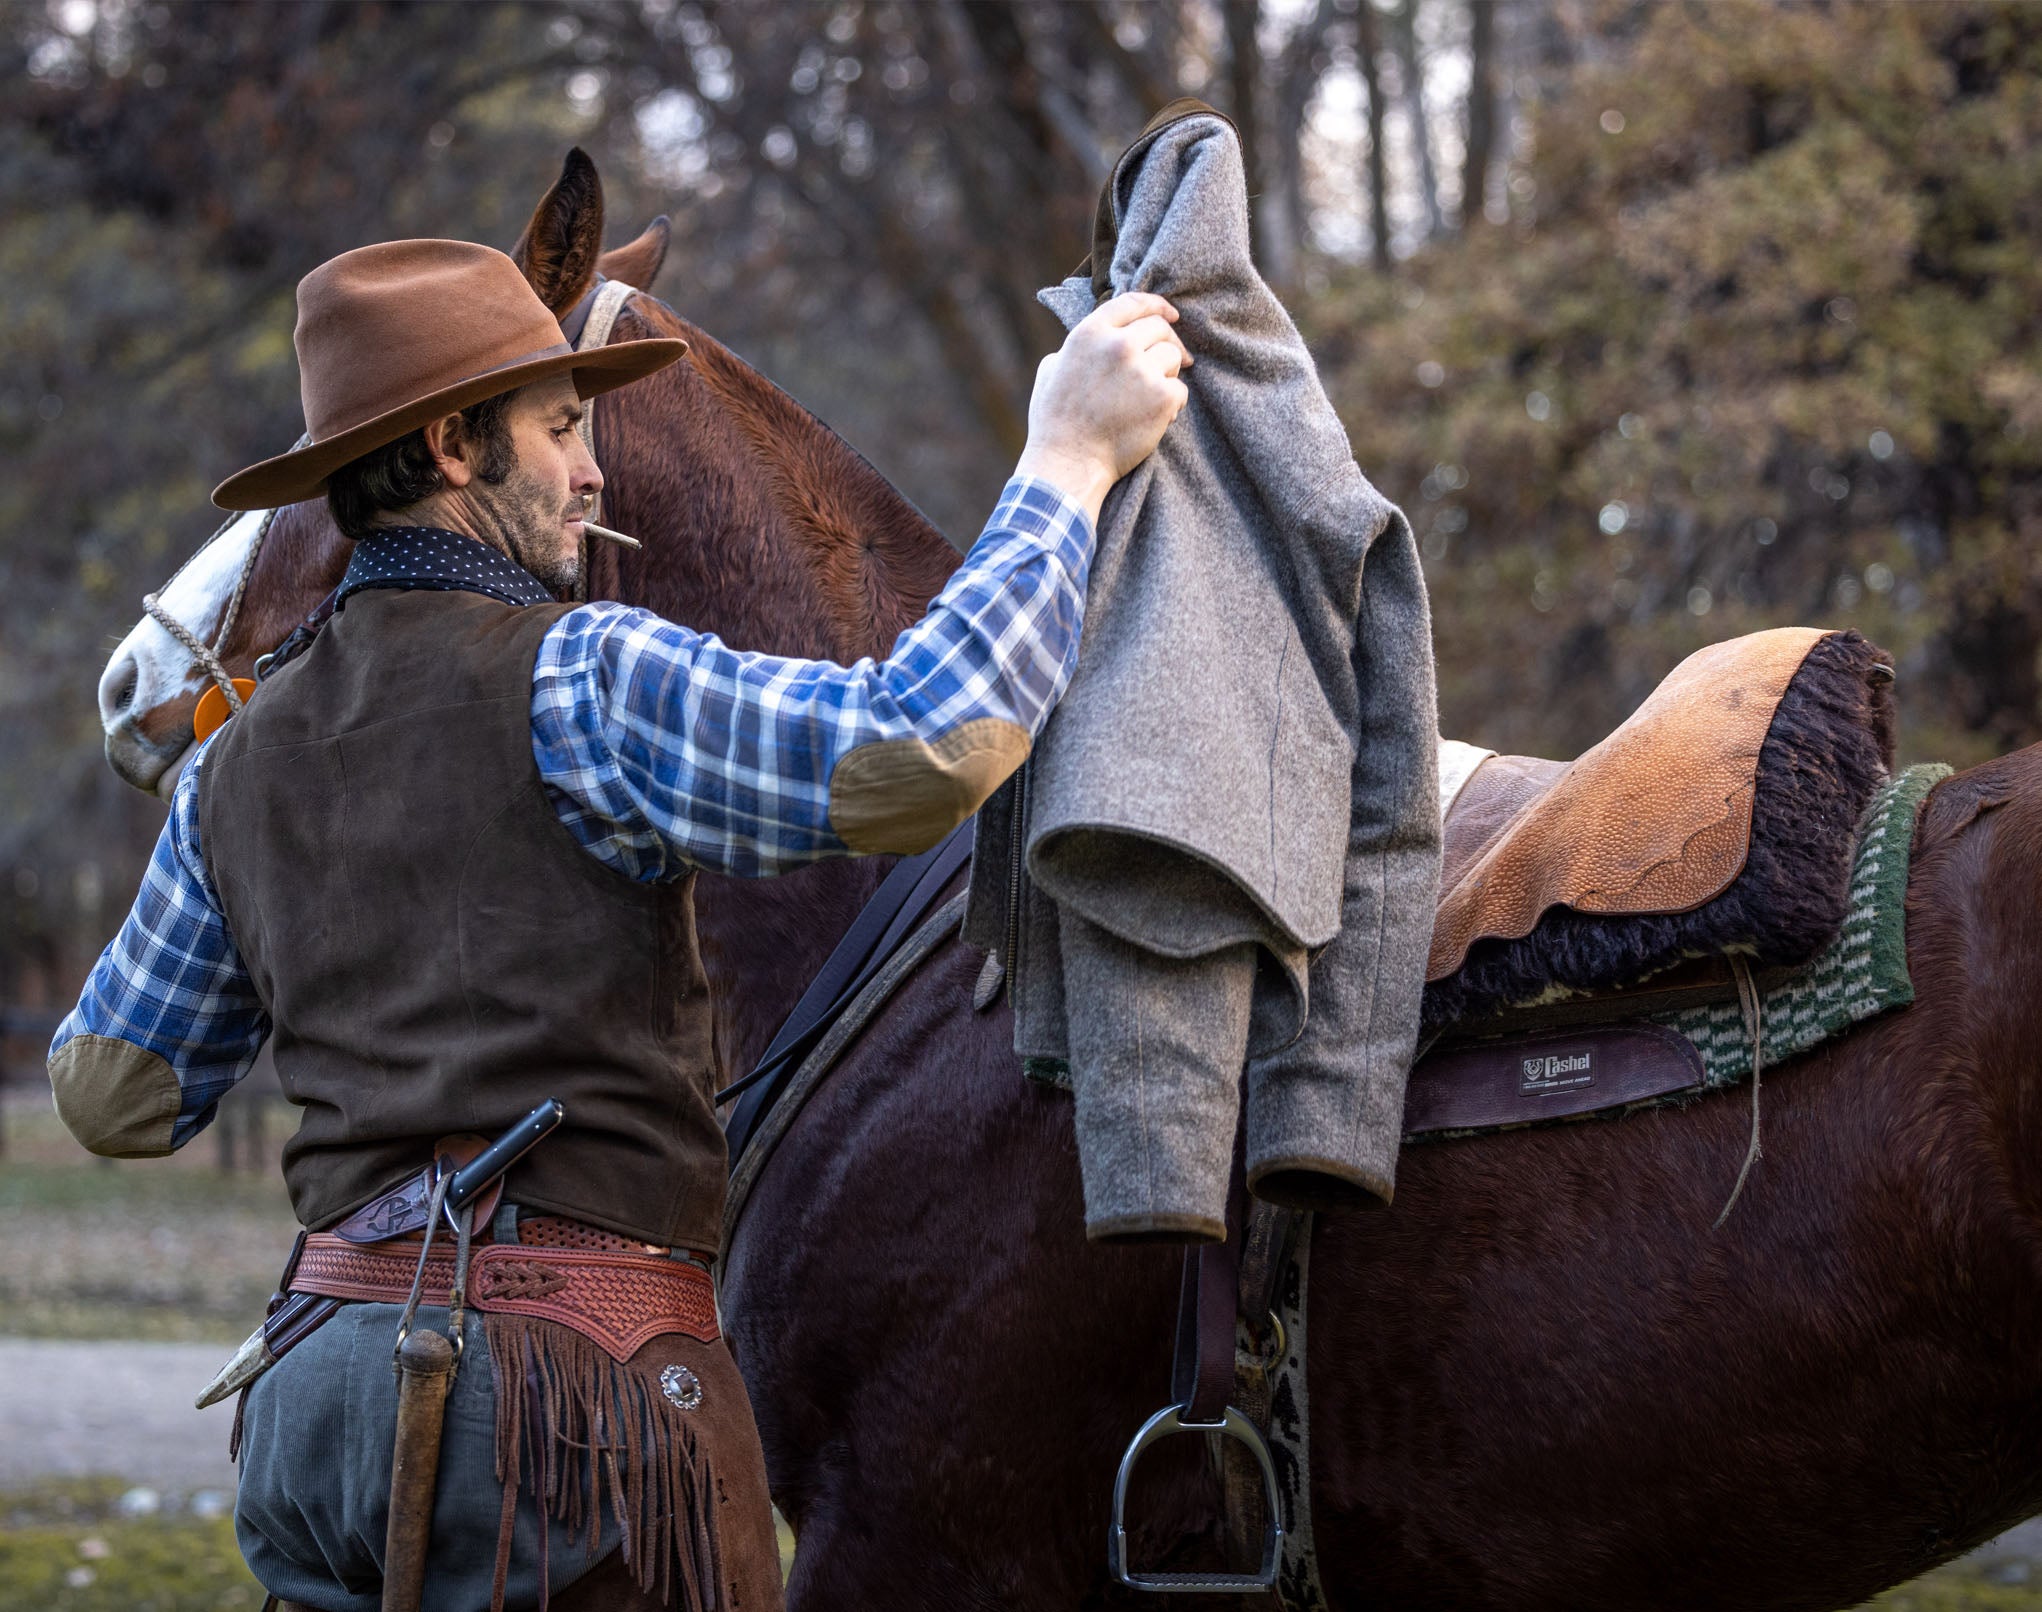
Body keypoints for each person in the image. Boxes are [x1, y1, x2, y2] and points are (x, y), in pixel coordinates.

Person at [46, 236, 1189, 1612]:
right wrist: (1064, 460)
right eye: (561, 426)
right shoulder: (586, 673)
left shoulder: (235, 758)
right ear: (456, 449)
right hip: (566, 1407)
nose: (594, 469)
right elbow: (920, 750)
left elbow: (117, 1094)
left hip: (313, 1397)